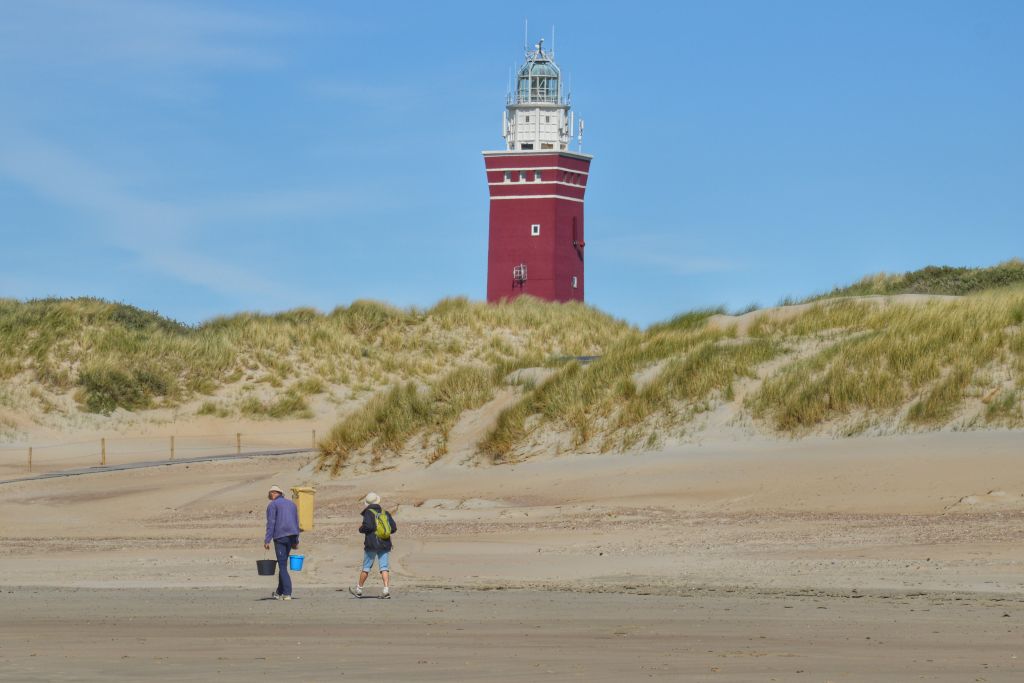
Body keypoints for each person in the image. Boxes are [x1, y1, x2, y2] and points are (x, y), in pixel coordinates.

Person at [349, 492, 397, 599]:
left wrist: (361, 529)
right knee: (384, 567)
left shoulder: (368, 513)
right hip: (385, 543)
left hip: (371, 543)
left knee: (366, 567)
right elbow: (393, 528)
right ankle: (386, 589)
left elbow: (368, 527)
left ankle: (359, 589)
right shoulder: (385, 512)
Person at [264, 485, 300, 600]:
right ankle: (279, 592)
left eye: (270, 494)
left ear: (274, 493)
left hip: (280, 536)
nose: (270, 496)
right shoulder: (292, 504)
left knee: (282, 566)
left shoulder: (273, 505)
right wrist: (296, 540)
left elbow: (271, 523)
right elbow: (296, 521)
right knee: (283, 564)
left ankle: (287, 593)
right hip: (292, 535)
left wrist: (267, 540)